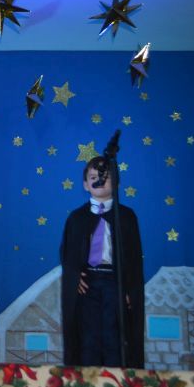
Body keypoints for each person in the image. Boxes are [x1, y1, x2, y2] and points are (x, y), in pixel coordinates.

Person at [59, 156, 144, 368]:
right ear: (85, 184)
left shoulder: (126, 217)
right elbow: (67, 253)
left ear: (116, 183)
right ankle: (89, 381)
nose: (99, 181)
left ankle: (114, 382)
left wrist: (130, 288)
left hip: (115, 283)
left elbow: (134, 257)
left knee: (114, 337)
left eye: (105, 177)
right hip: (88, 284)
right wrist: (74, 277)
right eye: (93, 177)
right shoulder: (77, 218)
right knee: (88, 338)